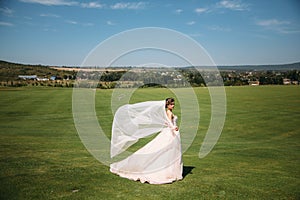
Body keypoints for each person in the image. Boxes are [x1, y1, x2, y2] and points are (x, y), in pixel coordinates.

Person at [110, 98, 183, 184]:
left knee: (169, 151)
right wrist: (174, 127)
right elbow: (170, 123)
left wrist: (172, 127)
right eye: (171, 104)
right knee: (165, 150)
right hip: (170, 133)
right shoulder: (169, 112)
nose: (173, 106)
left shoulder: (168, 112)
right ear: (167, 105)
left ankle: (169, 170)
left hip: (171, 133)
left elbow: (167, 123)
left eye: (173, 104)